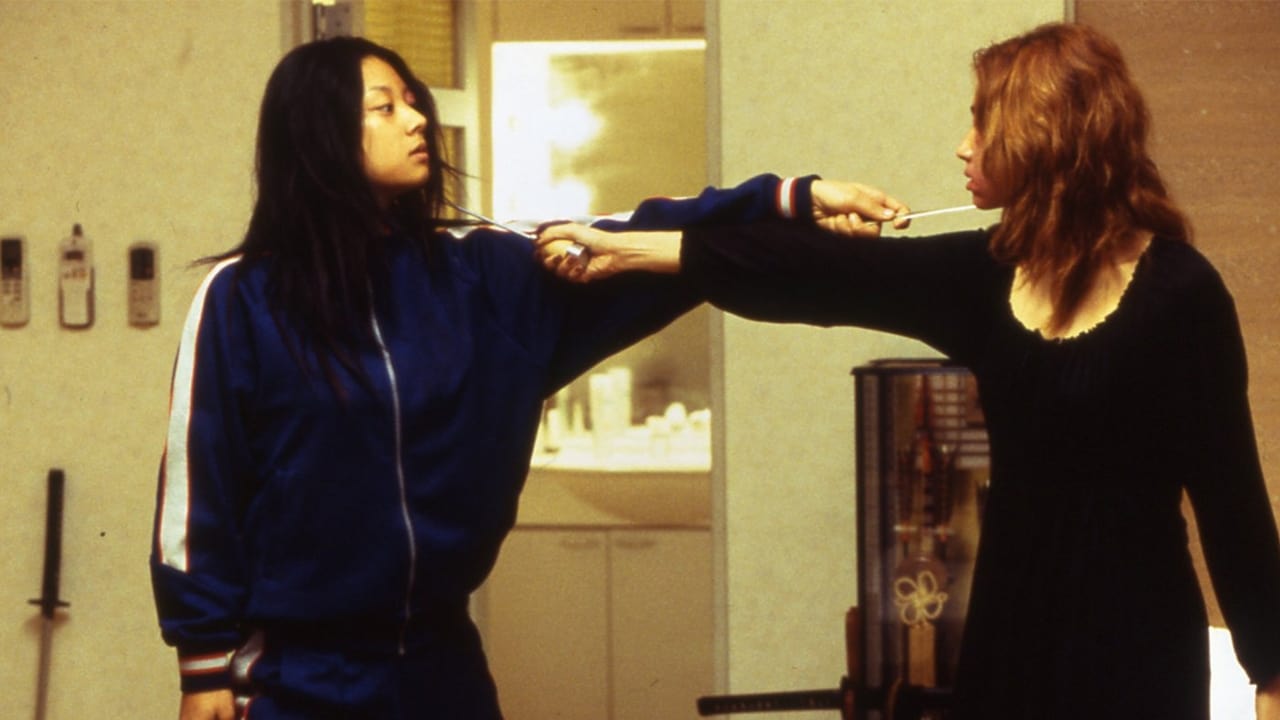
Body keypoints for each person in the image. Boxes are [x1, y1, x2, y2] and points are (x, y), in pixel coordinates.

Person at [536, 22, 1280, 720]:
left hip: (1138, 651)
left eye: (982, 124)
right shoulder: (986, 277)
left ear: (1045, 137)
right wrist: (626, 248)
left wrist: (1273, 677)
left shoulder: (1181, 293)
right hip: (1008, 639)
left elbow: (1234, 507)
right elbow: (808, 273)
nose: (963, 147)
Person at [147, 36, 900, 720]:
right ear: (318, 132)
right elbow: (200, 486)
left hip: (442, 666)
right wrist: (202, 663)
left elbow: (630, 237)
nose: (417, 120)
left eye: (414, 101)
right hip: (295, 679)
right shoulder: (242, 298)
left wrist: (795, 202)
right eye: (385, 107)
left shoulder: (478, 272)